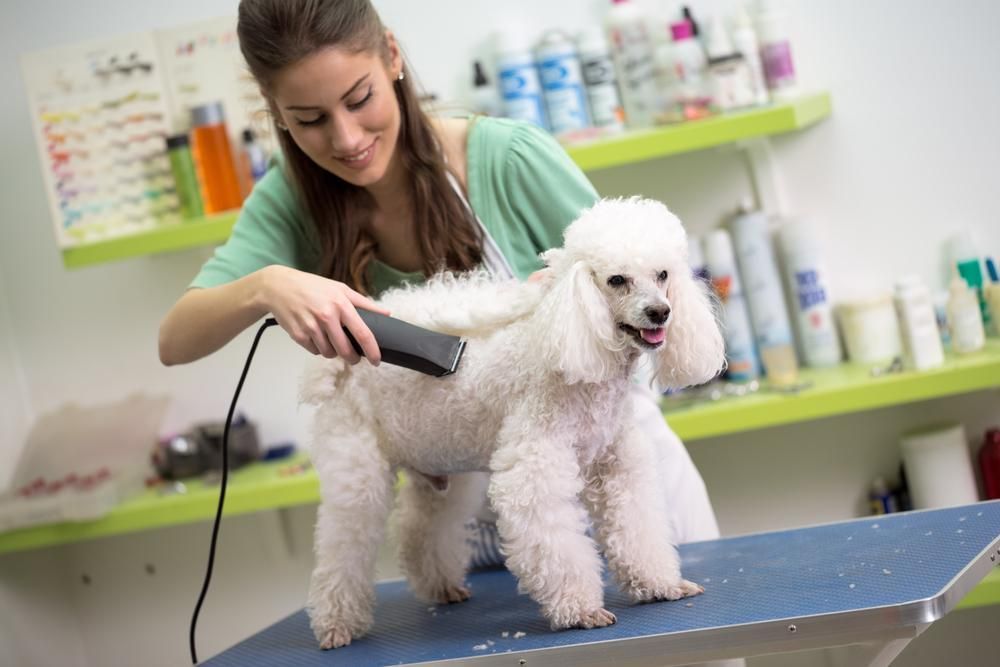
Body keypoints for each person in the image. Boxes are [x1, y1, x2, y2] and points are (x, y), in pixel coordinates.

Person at [160, 3, 737, 662]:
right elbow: (175, 339)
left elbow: (629, 274)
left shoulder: (507, 157)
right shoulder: (290, 201)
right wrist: (267, 284)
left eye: (359, 99)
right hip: (478, 545)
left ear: (393, 58)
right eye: (310, 120)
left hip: (615, 480)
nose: (346, 139)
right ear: (274, 112)